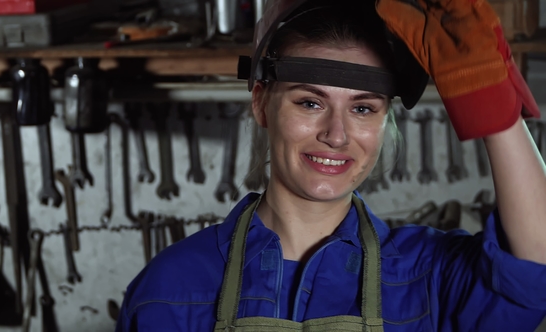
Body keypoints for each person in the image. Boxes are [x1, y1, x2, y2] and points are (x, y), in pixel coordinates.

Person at [116, 0, 546, 331]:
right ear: (261, 103)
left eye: (362, 109)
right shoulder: (171, 289)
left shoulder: (425, 276)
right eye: (310, 102)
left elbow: (535, 267)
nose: (336, 134)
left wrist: (492, 105)